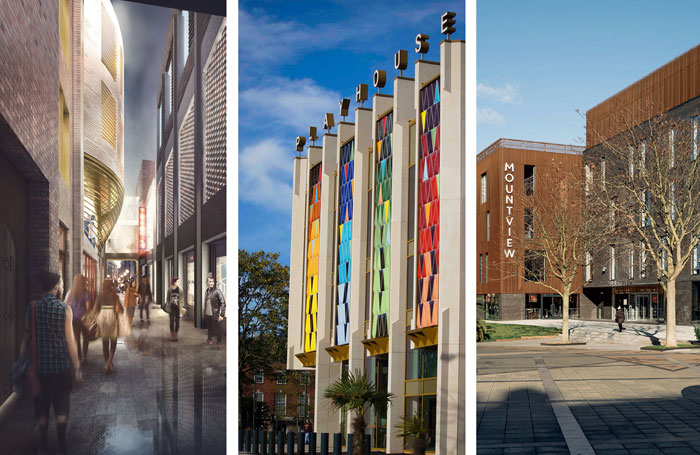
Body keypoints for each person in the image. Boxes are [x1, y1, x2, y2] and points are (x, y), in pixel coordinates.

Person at [18, 271, 82, 455]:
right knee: (62, 406)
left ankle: (44, 446)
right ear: (55, 286)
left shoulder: (32, 308)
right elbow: (70, 341)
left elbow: (26, 338)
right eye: (61, 283)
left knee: (42, 408)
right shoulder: (64, 309)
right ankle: (61, 446)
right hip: (60, 368)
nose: (62, 286)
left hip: (39, 370)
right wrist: (76, 366)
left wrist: (22, 361)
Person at [93, 280, 124, 373]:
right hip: (112, 319)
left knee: (105, 343)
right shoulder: (115, 296)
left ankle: (107, 362)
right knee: (113, 342)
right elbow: (119, 310)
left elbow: (95, 310)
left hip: (102, 319)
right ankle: (109, 363)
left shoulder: (100, 296)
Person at [64, 274, 91, 366]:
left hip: (74, 319)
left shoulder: (71, 292)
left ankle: (78, 358)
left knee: (76, 338)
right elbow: (88, 308)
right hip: (84, 319)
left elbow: (67, 305)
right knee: (86, 338)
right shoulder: (85, 293)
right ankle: (84, 357)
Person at [203, 274, 226, 350]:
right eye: (210, 281)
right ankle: (209, 340)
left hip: (214, 314)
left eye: (212, 281)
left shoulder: (217, 291)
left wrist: (222, 315)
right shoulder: (206, 291)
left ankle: (219, 343)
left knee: (217, 330)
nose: (211, 283)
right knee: (209, 328)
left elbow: (223, 303)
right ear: (207, 282)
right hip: (207, 314)